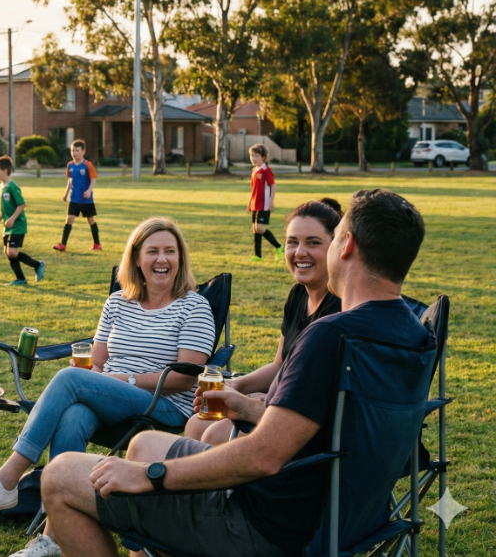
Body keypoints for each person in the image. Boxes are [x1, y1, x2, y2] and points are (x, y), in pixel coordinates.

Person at [40, 189, 428, 557]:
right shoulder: (415, 334)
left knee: (60, 476)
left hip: (264, 527)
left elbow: (262, 457)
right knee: (145, 444)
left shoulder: (330, 336)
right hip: (344, 517)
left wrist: (150, 476)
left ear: (346, 246)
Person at [0, 217, 213, 557]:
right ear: (136, 258)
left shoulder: (195, 306)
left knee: (70, 378)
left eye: (170, 251)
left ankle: (7, 478)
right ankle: (53, 537)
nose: (162, 260)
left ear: (181, 258)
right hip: (110, 394)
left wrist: (123, 381)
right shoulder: (118, 302)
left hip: (162, 404)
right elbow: (99, 360)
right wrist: (99, 381)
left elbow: (185, 377)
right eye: (152, 251)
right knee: (73, 413)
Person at [185, 198, 343, 445]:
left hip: (310, 421)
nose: (299, 252)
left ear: (336, 247)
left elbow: (316, 393)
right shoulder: (298, 295)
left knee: (215, 435)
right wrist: (236, 384)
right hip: (281, 400)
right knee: (197, 423)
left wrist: (257, 402)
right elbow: (280, 364)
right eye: (292, 243)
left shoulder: (340, 308)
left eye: (313, 243)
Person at [0, 155, 45, 286]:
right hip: (8, 225)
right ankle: (20, 279)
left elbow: (21, 204)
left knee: (12, 252)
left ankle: (38, 264)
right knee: (7, 252)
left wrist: (12, 219)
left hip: (18, 225)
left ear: (4, 171)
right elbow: (6, 207)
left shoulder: (12, 187)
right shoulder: (2, 187)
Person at [53, 140, 101, 252]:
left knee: (91, 220)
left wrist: (89, 191)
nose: (74, 153)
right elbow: (70, 180)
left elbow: (93, 180)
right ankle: (63, 245)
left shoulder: (87, 165)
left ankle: (97, 244)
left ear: (83, 151)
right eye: (72, 150)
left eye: (77, 150)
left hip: (86, 200)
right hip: (74, 198)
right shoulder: (70, 165)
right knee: (69, 219)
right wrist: (65, 194)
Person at [248, 144, 282, 262]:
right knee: (255, 229)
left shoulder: (266, 170)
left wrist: (271, 202)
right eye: (252, 155)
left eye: (256, 155)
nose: (253, 158)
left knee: (259, 228)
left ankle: (279, 247)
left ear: (263, 157)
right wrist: (250, 203)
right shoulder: (254, 170)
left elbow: (273, 185)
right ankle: (258, 256)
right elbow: (254, 189)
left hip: (264, 204)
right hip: (255, 204)